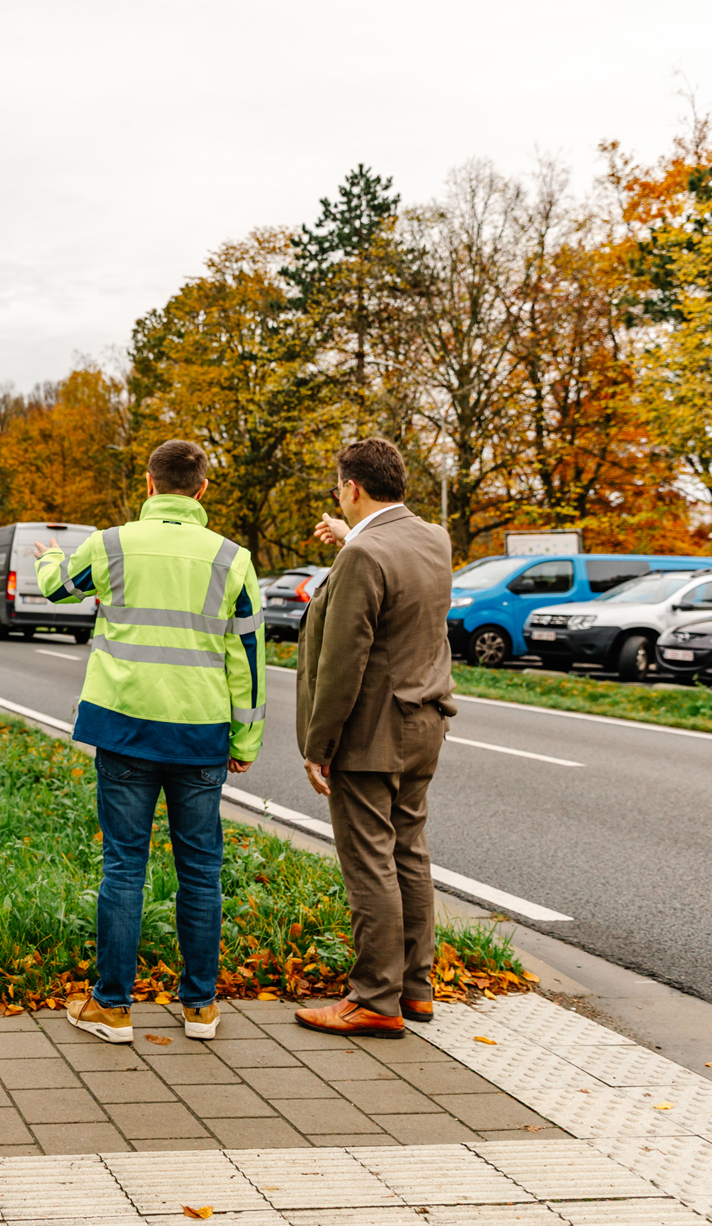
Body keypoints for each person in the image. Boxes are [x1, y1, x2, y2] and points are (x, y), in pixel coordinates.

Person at [33, 439, 265, 1044]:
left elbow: (59, 590)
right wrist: (246, 736)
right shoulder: (232, 559)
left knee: (124, 867)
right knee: (201, 871)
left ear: (149, 483)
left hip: (125, 726)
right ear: (203, 489)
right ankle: (201, 1009)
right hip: (199, 733)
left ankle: (112, 1008)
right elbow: (248, 658)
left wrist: (47, 558)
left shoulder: (112, 544)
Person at [294, 437, 456, 1039]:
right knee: (409, 852)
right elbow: (392, 564)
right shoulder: (433, 538)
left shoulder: (364, 558)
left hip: (372, 734)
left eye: (341, 489)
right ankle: (416, 988)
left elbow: (344, 663)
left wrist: (319, 745)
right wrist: (352, 535)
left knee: (369, 862)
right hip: (426, 720)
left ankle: (374, 998)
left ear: (352, 488)